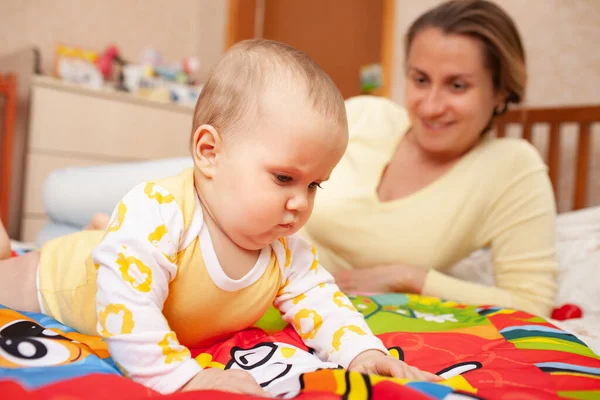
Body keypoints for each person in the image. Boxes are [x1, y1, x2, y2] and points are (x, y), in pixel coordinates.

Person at [0, 39, 440, 396]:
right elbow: (125, 307)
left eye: (313, 185)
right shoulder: (163, 210)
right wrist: (180, 376)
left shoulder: (287, 252)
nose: (300, 203)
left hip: (129, 253)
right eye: (284, 177)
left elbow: (323, 304)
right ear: (209, 152)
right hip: (62, 278)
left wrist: (361, 352)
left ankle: (103, 233)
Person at [301, 0, 558, 318]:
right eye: (420, 80)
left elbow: (532, 303)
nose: (431, 106)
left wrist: (409, 278)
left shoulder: (511, 169)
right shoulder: (362, 115)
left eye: (457, 86)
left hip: (311, 310)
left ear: (500, 93)